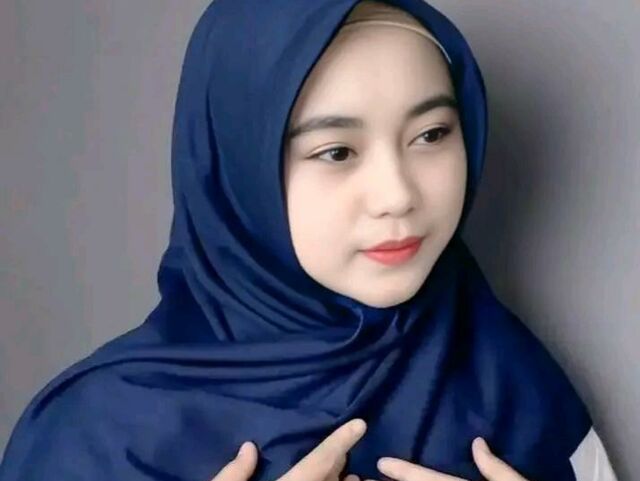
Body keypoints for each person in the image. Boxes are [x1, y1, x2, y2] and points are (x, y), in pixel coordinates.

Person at [0, 1, 619, 481]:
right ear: (238, 171)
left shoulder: (515, 384)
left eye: (431, 135)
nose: (397, 195)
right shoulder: (92, 440)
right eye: (337, 151)